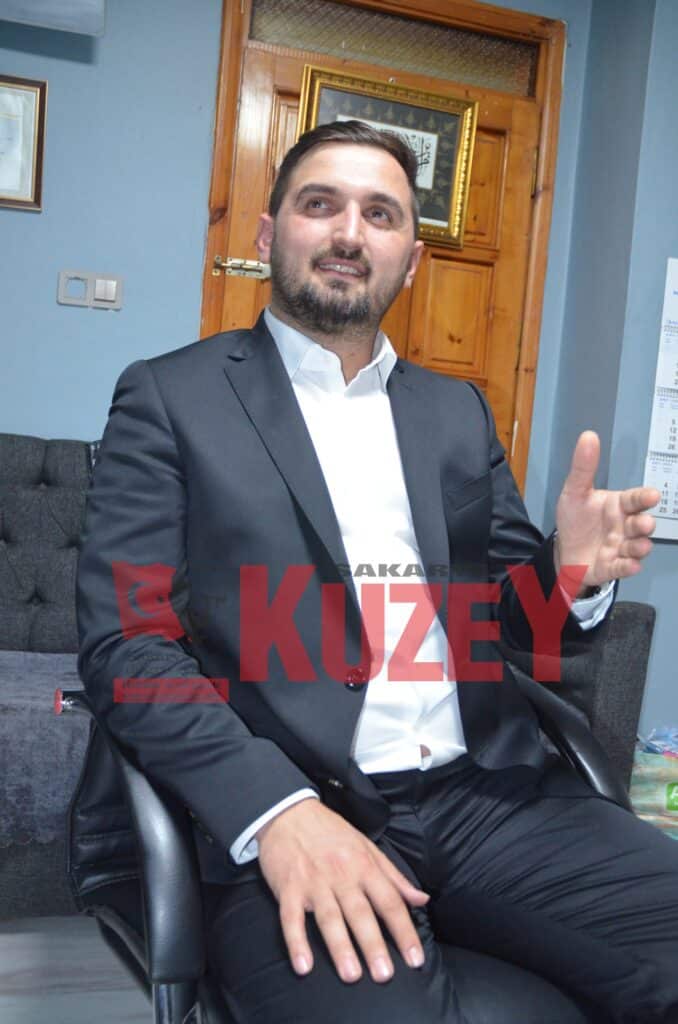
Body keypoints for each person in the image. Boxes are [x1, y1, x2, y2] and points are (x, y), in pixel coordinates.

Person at [77, 121, 678, 1023]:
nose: (349, 232)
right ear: (268, 234)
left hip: (491, 801)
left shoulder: (457, 412)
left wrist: (569, 576)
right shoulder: (171, 398)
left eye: (381, 214)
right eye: (320, 204)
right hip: (297, 806)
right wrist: (275, 811)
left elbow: (510, 627)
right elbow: (128, 644)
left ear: (412, 261)